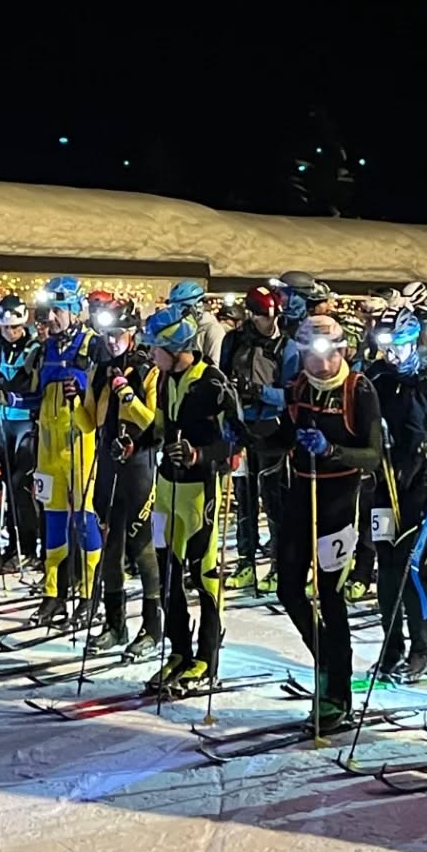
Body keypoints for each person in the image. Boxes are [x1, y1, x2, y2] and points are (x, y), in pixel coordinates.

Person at [275, 314, 385, 731]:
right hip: (301, 494)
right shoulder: (299, 386)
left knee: (330, 596)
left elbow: (373, 455)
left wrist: (331, 450)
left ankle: (338, 691)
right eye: (309, 356)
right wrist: (246, 434)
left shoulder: (359, 389)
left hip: (340, 501)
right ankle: (324, 659)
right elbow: (283, 438)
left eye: (326, 355)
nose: (318, 364)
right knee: (288, 588)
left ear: (341, 352)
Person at [144, 308, 244, 695]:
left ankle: (206, 657)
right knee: (167, 574)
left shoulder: (213, 383)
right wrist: (133, 443)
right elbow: (159, 427)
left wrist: (200, 455)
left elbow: (236, 441)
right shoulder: (165, 378)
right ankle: (179, 651)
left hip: (198, 492)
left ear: (176, 348)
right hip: (165, 490)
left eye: (157, 348)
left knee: (204, 576)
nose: (151, 355)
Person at [365, 307, 427, 682]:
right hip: (383, 483)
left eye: (399, 347)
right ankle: (391, 648)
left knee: (412, 567)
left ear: (413, 343)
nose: (393, 355)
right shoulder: (375, 377)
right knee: (387, 567)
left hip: (419, 484)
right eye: (387, 347)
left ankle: (422, 650)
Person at [76, 299, 163, 658]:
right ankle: (114, 624)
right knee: (110, 546)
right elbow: (89, 422)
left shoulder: (148, 370)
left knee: (142, 546)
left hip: (139, 465)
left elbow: (155, 425)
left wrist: (127, 394)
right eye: (107, 335)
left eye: (118, 335)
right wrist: (76, 400)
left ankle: (152, 627)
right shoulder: (101, 369)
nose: (111, 341)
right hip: (108, 464)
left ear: (133, 333)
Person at [31, 276, 102, 625]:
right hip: (48, 446)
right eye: (50, 310)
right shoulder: (46, 348)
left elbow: (106, 391)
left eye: (58, 310)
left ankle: (89, 594)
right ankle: (53, 595)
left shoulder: (93, 344)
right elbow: (34, 394)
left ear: (75, 310)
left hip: (79, 443)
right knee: (54, 520)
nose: (51, 317)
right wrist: (4, 394)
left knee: (84, 518)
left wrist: (84, 385)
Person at [219, 284, 299, 591]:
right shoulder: (234, 341)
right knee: (244, 498)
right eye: (265, 316)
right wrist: (230, 410)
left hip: (272, 428)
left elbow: (292, 394)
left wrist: (259, 392)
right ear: (252, 315)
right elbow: (222, 381)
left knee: (274, 498)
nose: (271, 322)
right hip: (242, 426)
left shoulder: (286, 346)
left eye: (274, 316)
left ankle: (279, 563)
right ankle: (246, 561)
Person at [0, 294, 42, 569]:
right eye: (5, 328)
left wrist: (6, 394)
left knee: (21, 486)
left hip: (27, 423)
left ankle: (28, 545)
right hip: (4, 423)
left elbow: (33, 390)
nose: (10, 333)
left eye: (15, 328)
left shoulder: (34, 349)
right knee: (8, 487)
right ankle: (13, 544)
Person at [165, 279, 225, 363]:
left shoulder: (213, 329)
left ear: (197, 305)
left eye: (182, 308)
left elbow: (215, 363)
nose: (178, 313)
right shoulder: (183, 328)